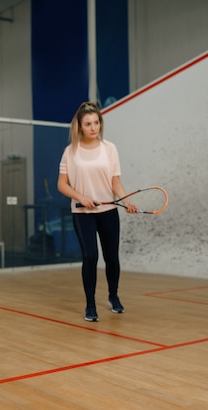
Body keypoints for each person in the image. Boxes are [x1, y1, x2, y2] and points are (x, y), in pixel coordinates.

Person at [57, 102, 137, 322]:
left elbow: (115, 182)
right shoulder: (70, 152)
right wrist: (81, 197)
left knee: (112, 257)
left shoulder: (109, 148)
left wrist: (127, 200)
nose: (93, 127)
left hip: (109, 211)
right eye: (88, 124)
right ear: (80, 127)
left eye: (96, 122)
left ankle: (113, 296)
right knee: (90, 257)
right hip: (82, 213)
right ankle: (90, 304)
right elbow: (62, 184)